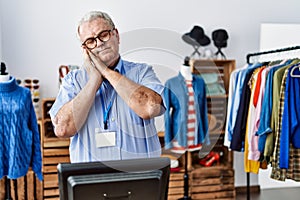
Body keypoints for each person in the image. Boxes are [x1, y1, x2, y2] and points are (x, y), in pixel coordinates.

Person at [49, 11, 165, 163]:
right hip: (90, 182)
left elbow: (151, 108)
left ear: (116, 35)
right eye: (90, 41)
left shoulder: (142, 72)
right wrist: (93, 81)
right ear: (85, 49)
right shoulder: (73, 81)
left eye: (103, 34)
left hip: (140, 179)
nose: (99, 43)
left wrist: (105, 71)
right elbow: (63, 129)